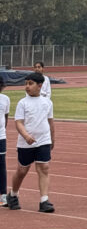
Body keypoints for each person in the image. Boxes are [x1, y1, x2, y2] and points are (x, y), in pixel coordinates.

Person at [6, 71, 55, 212]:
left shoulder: (47, 102)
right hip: (25, 142)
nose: (27, 87)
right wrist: (26, 136)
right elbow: (19, 123)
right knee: (22, 170)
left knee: (44, 168)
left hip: (43, 139)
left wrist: (53, 138)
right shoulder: (23, 103)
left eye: (30, 84)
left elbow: (50, 122)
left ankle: (44, 200)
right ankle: (13, 194)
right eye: (26, 84)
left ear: (40, 86)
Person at [0, 75, 9, 206]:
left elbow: (6, 117)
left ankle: (3, 195)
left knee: (1, 166)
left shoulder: (5, 99)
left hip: (1, 137)